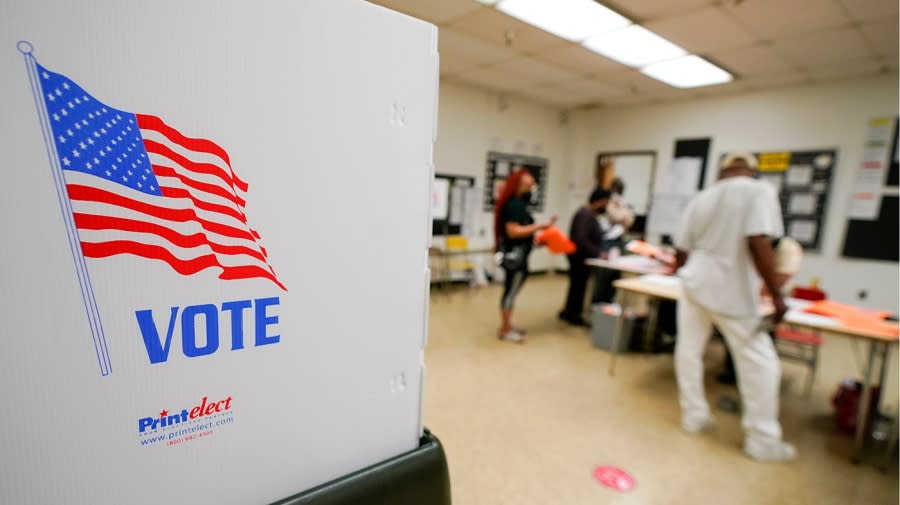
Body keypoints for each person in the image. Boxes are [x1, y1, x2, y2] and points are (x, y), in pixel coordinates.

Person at [672, 152, 796, 462]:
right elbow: (758, 242)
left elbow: (681, 250)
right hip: (732, 289)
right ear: (752, 171)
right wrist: (778, 297)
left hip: (695, 283)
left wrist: (688, 275)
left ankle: (694, 415)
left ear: (722, 171)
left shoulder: (702, 198)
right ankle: (762, 438)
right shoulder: (759, 191)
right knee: (761, 363)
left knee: (688, 351)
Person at [717, 236, 803, 383]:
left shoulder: (789, 248)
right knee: (735, 333)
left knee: (763, 336)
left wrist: (761, 292)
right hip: (748, 296)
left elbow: (781, 278)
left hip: (774, 297)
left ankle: (759, 375)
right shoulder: (749, 242)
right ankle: (733, 371)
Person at [494, 169, 556, 343]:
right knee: (510, 293)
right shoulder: (514, 204)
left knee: (510, 292)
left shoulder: (519, 204)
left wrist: (539, 239)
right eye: (530, 185)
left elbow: (521, 232)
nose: (532, 188)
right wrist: (539, 227)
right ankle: (505, 330)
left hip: (518, 256)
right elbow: (512, 232)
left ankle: (507, 325)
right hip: (515, 260)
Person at [559, 188, 610, 326]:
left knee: (577, 286)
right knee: (578, 286)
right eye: (605, 203)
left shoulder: (588, 215)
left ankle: (570, 310)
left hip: (581, 256)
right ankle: (573, 313)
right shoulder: (585, 215)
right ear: (599, 202)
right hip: (579, 257)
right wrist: (597, 253)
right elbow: (581, 239)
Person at [593, 177, 636, 303]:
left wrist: (623, 214)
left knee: (615, 275)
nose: (618, 192)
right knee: (604, 276)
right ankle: (598, 304)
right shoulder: (608, 202)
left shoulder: (622, 203)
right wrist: (624, 214)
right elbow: (617, 216)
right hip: (607, 241)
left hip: (619, 241)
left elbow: (630, 221)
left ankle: (609, 303)